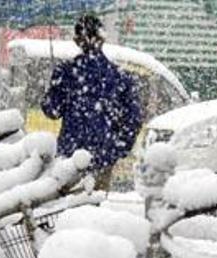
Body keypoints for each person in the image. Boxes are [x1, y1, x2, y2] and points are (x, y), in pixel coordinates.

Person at [42, 14, 142, 191]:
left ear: (77, 40)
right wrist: (116, 150)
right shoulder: (120, 76)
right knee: (96, 214)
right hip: (102, 157)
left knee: (67, 213)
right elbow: (133, 119)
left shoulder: (66, 72)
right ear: (102, 38)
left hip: (69, 157)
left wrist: (53, 88)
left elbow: (52, 111)